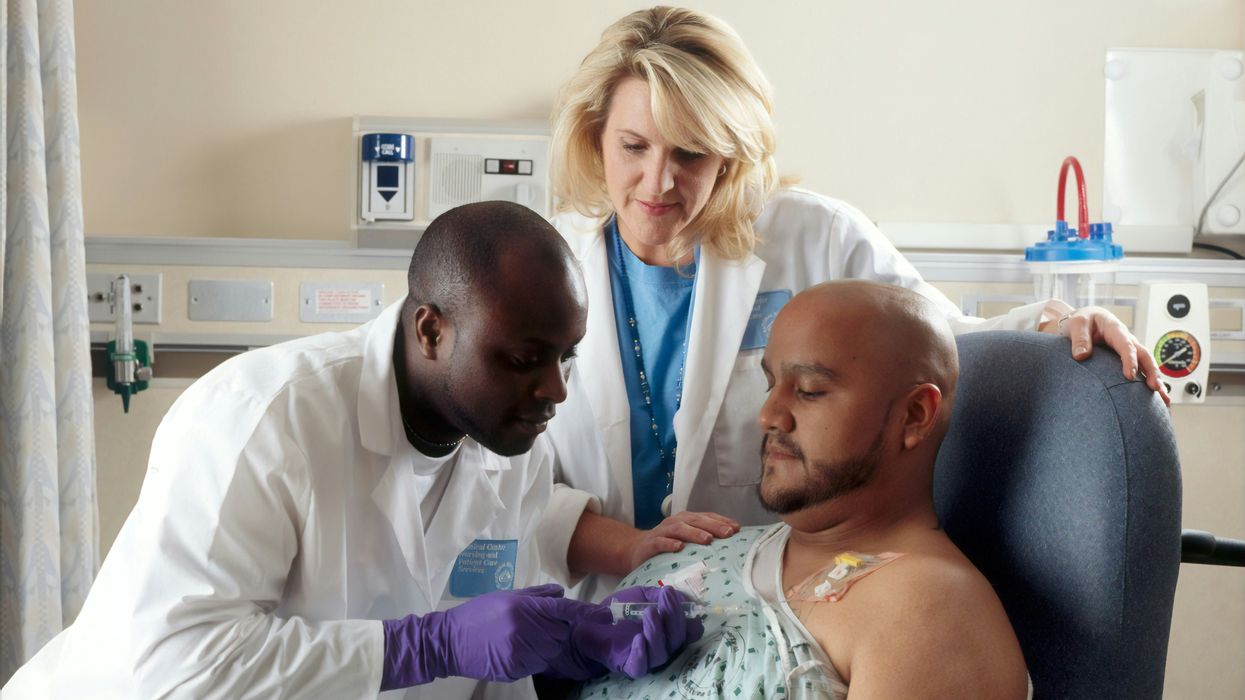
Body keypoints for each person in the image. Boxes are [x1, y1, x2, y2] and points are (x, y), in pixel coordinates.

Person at [535, 6, 1169, 601]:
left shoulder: (815, 237)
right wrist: (632, 550)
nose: (658, 181)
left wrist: (1057, 326)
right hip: (595, 604)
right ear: (596, 137)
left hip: (774, 605)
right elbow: (509, 478)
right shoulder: (546, 261)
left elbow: (942, 341)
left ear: (729, 154)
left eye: (690, 153)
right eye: (634, 146)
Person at [1, 201, 700, 699]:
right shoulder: (264, 415)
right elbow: (179, 667)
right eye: (524, 358)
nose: (555, 389)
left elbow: (480, 668)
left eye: (566, 358)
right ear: (430, 331)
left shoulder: (510, 454)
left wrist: (572, 654)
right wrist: (422, 645)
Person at [578, 280, 1031, 699]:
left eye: (810, 390)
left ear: (914, 415)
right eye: (771, 383)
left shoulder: (927, 612)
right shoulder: (711, 547)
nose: (769, 416)